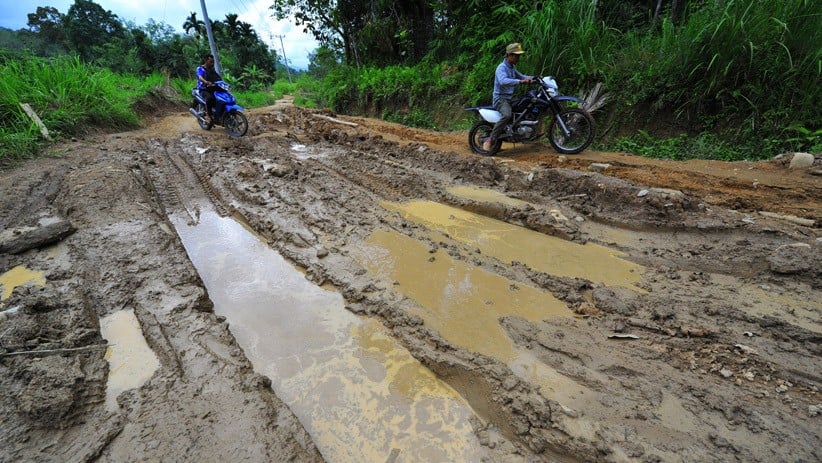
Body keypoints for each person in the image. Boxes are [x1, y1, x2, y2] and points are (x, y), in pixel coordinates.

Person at [483, 43, 534, 152]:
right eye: (516, 55)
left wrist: (536, 78)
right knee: (507, 115)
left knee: (526, 104)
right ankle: (491, 139)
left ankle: (516, 131)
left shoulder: (512, 67)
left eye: (518, 56)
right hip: (500, 99)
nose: (518, 58)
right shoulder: (501, 68)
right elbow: (503, 81)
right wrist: (520, 82)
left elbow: (522, 76)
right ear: (509, 55)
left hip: (509, 98)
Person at [196, 54, 222, 124]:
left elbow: (218, 77)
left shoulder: (212, 70)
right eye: (211, 62)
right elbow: (200, 77)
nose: (212, 63)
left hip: (212, 88)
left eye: (213, 62)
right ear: (206, 61)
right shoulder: (200, 68)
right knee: (209, 98)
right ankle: (208, 115)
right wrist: (206, 82)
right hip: (203, 89)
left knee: (220, 98)